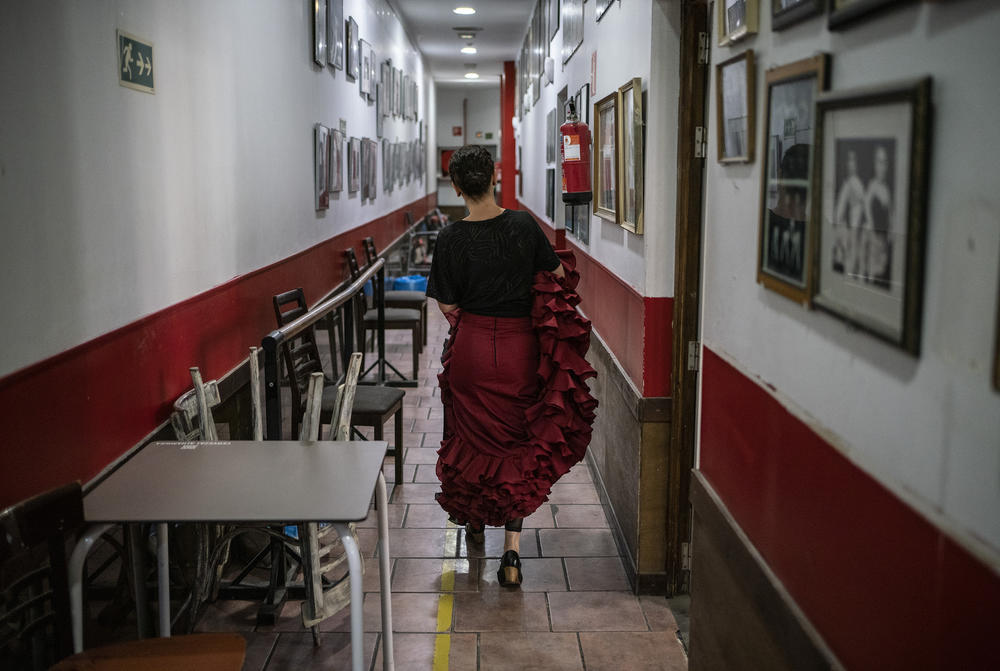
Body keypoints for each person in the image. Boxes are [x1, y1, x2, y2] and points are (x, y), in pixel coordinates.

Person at [426, 144, 595, 588]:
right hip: (521, 351)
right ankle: (513, 557)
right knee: (519, 444)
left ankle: (477, 523)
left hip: (473, 351)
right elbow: (558, 275)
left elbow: (446, 302)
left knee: (470, 438)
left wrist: (473, 322)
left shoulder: (449, 238)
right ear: (495, 178)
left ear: (456, 185)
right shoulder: (522, 225)